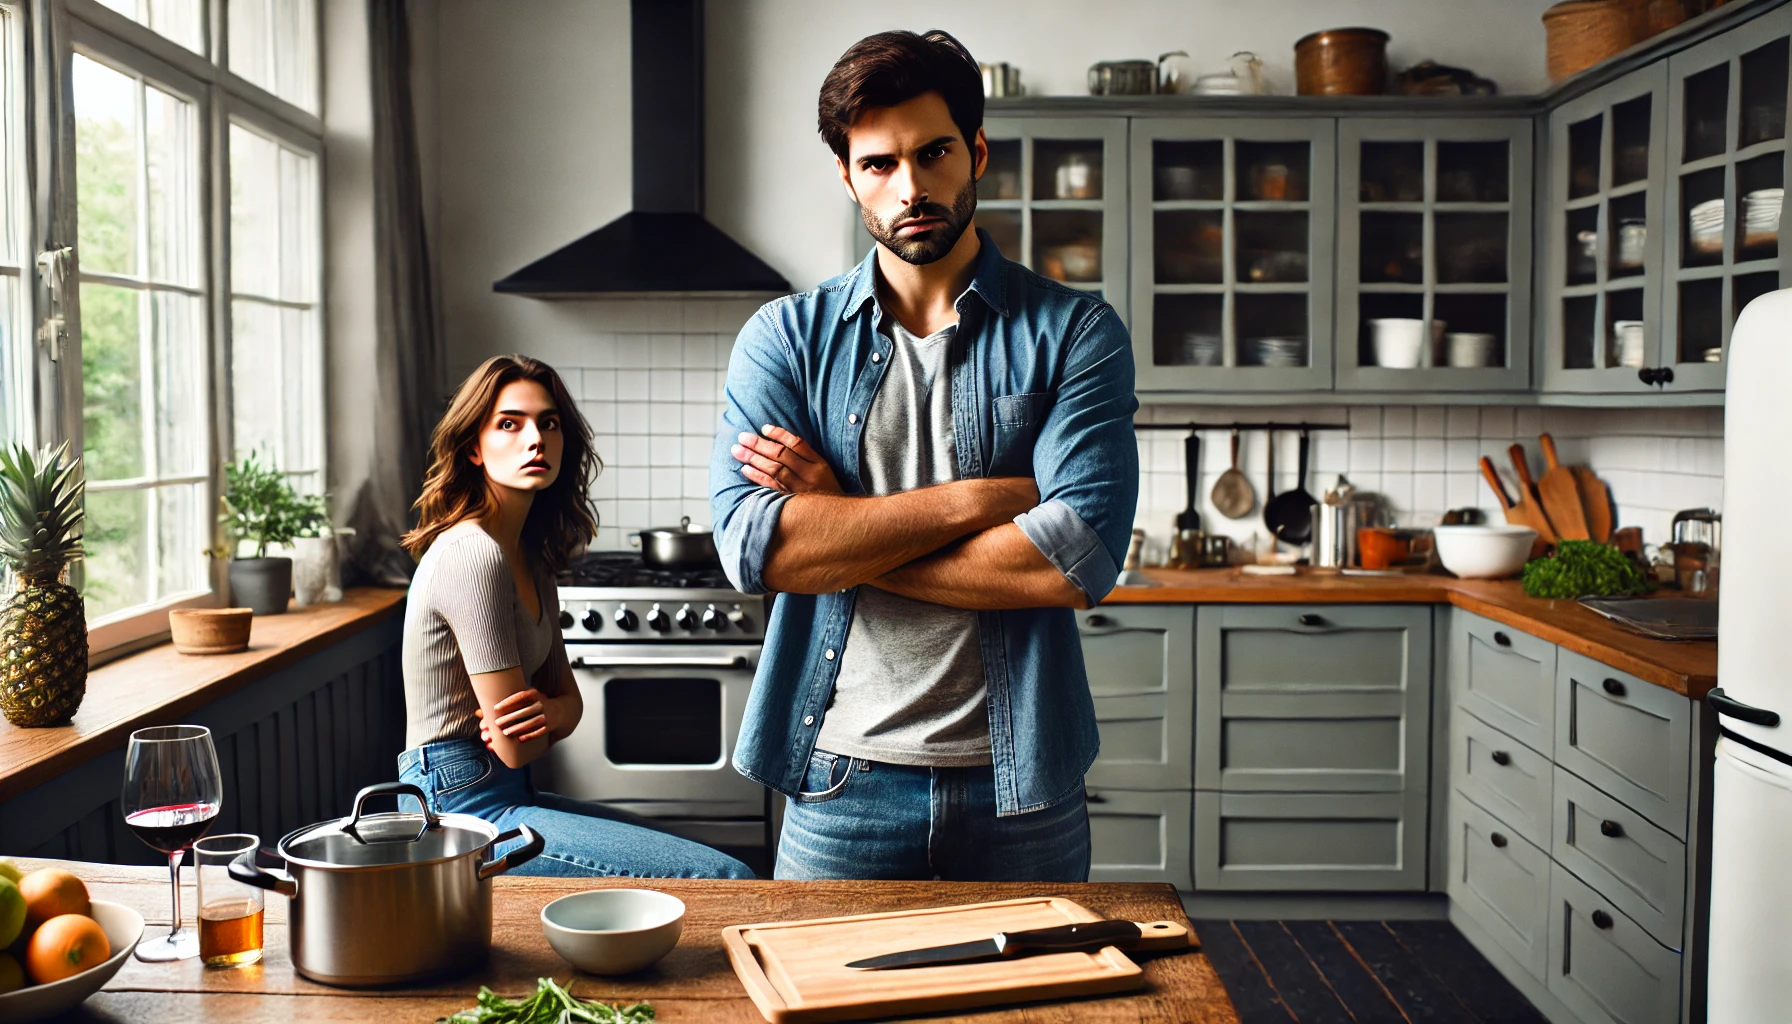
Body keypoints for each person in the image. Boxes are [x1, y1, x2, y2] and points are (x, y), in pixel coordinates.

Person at [711, 30, 1139, 882]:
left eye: (933, 153)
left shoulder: (1075, 333)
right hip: (841, 782)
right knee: (828, 1009)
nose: (910, 188)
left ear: (975, 151)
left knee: (1035, 1016)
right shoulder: (785, 340)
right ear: (846, 175)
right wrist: (984, 500)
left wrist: (845, 524)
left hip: (1023, 786)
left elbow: (1070, 563)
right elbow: (762, 552)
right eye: (877, 164)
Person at [397, 354, 753, 879]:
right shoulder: (473, 554)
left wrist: (557, 714)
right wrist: (551, 716)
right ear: (474, 447)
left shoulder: (532, 557)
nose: (535, 438)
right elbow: (520, 746)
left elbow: (568, 701)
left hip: (506, 795)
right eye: (509, 424)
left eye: (549, 422)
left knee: (706, 861)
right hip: (458, 815)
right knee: (725, 879)